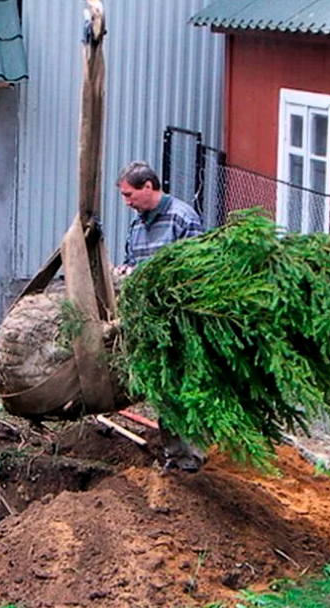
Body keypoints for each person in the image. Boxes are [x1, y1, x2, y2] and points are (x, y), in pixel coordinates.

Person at [116, 161, 206, 473]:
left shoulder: (183, 218)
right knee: (164, 389)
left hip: (180, 321)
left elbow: (196, 272)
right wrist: (125, 273)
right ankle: (175, 455)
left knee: (184, 386)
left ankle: (192, 457)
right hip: (151, 323)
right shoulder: (137, 226)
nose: (127, 202)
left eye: (130, 195)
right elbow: (132, 262)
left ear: (149, 187)